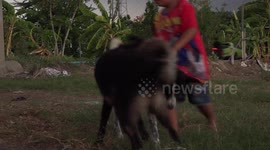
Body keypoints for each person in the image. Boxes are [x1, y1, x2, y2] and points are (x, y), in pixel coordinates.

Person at [153, 0, 217, 131]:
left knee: (198, 97)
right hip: (172, 64)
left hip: (192, 62)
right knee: (169, 95)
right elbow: (158, 40)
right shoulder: (158, 18)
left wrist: (175, 47)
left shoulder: (185, 7)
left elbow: (192, 30)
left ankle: (211, 120)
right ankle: (174, 131)